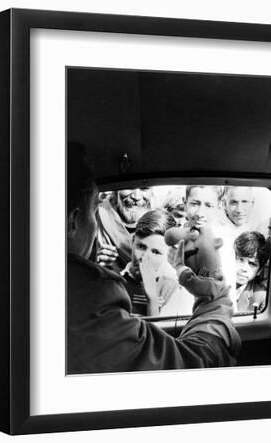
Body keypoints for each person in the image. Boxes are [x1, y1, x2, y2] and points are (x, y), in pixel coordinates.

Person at [67, 143, 241, 374]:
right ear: (73, 221)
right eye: (93, 212)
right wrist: (212, 295)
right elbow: (195, 368)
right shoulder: (90, 298)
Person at [121, 208, 194, 316]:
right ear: (132, 242)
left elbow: (159, 332)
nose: (145, 258)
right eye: (141, 246)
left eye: (156, 252)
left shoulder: (172, 287)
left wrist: (152, 300)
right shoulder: (117, 282)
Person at [95, 187, 153, 273]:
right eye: (129, 187)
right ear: (116, 189)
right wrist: (94, 264)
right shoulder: (97, 215)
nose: (136, 197)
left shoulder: (157, 221)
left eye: (144, 188)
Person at [233, 231, 270, 312]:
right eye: (240, 259)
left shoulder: (261, 298)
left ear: (259, 271)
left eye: (252, 264)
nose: (244, 268)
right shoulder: (215, 284)